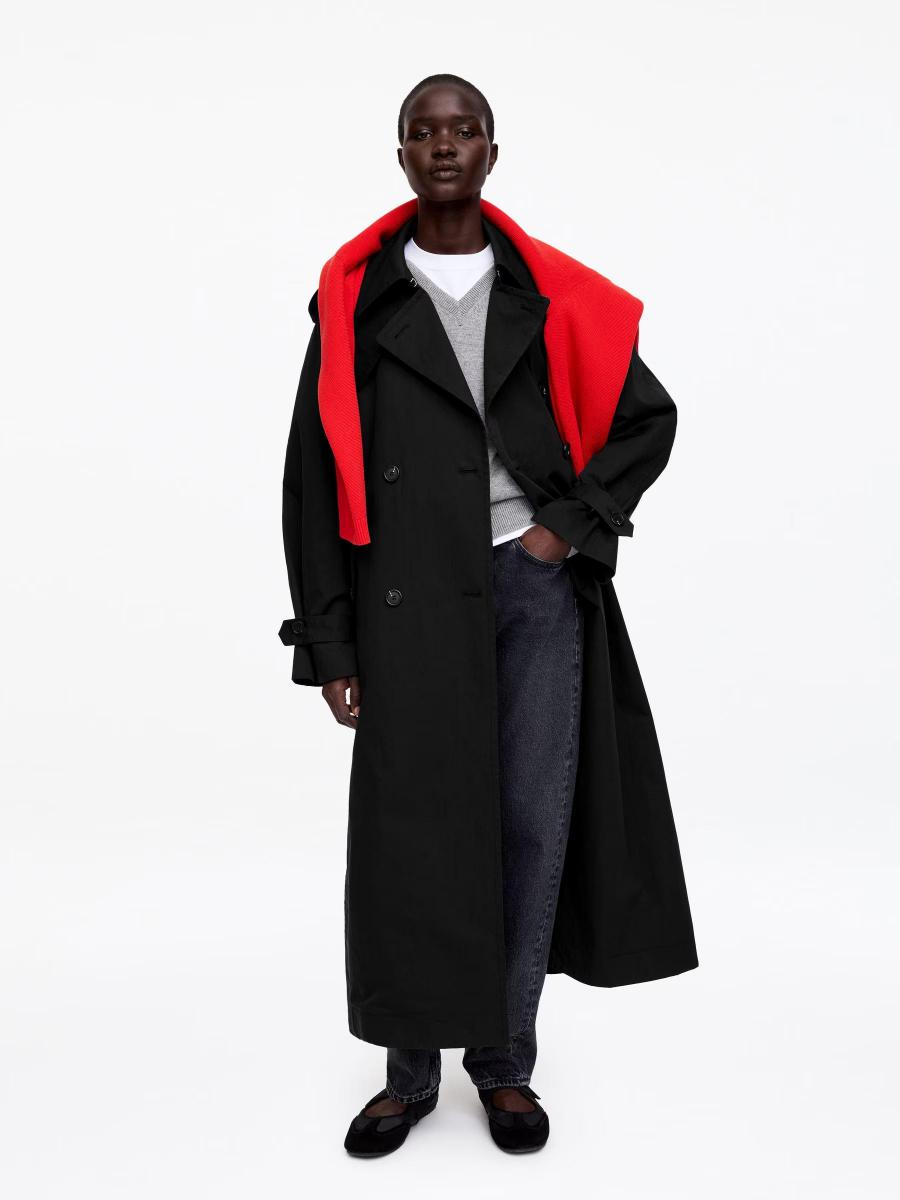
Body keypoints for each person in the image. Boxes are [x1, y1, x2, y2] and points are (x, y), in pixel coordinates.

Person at [279, 73, 698, 1157]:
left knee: (527, 825)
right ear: (402, 156)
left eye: (463, 129)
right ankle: (409, 1073)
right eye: (424, 131)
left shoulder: (549, 293)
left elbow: (647, 420)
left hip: (531, 592)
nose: (444, 145)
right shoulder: (356, 302)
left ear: (491, 152)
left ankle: (505, 1063)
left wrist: (565, 529)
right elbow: (313, 482)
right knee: (415, 835)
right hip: (407, 601)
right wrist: (330, 638)